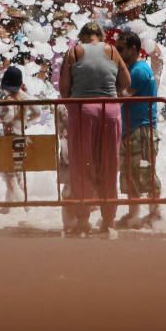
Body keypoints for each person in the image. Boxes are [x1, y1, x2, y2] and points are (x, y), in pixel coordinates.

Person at [58, 21, 130, 236]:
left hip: (83, 112)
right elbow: (126, 81)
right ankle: (109, 222)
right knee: (109, 165)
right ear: (101, 36)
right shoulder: (112, 50)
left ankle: (83, 221)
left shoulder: (74, 52)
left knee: (82, 165)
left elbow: (63, 89)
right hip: (110, 111)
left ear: (82, 37)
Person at [116, 30, 161, 229]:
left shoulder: (138, 70)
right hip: (132, 129)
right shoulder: (134, 68)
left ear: (133, 49)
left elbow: (121, 95)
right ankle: (133, 214)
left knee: (145, 171)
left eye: (120, 49)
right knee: (130, 173)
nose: (117, 52)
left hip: (141, 130)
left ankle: (155, 213)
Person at [0, 65, 40, 212]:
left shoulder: (8, 99)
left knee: (9, 176)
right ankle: (7, 206)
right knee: (17, 172)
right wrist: (26, 122)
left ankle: (25, 204)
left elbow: (8, 116)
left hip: (9, 139)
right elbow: (38, 112)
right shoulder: (24, 96)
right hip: (21, 136)